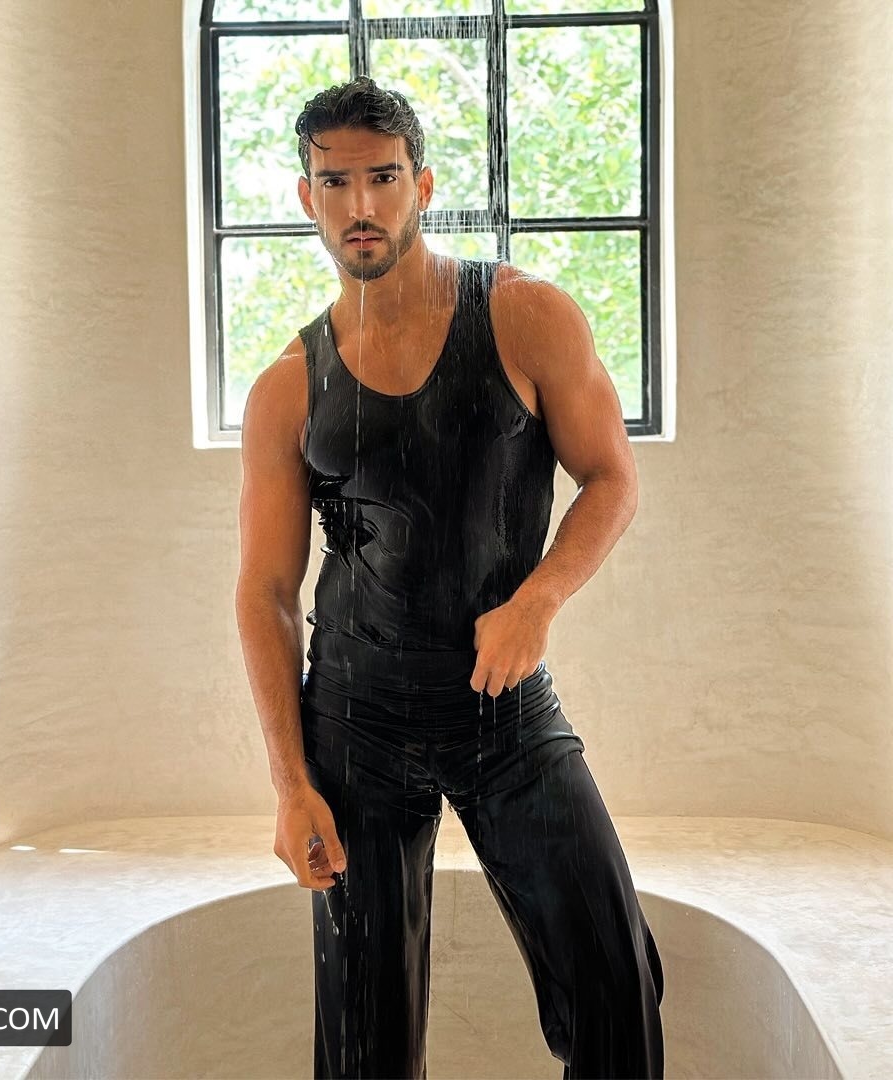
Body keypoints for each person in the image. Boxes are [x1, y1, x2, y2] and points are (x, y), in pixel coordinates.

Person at [235, 75, 664, 1079]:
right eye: (335, 182)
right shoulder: (287, 388)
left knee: (615, 986)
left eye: (382, 178)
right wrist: (291, 785)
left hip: (504, 707)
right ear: (307, 198)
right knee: (365, 1044)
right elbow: (264, 595)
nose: (360, 204)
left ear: (421, 185)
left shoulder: (524, 316)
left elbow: (612, 479)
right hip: (356, 723)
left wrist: (537, 599)